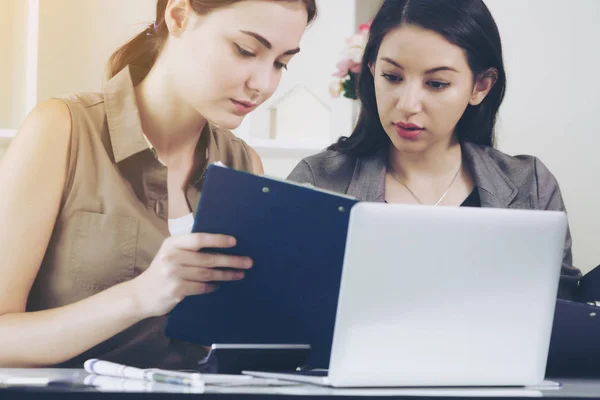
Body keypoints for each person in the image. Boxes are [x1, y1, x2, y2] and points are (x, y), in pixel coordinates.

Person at [0, 0, 316, 368]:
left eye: (281, 64)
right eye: (245, 51)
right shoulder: (63, 129)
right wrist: (140, 296)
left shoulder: (243, 166)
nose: (262, 84)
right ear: (179, 15)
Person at [287, 0, 581, 299]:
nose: (407, 104)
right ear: (372, 69)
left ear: (480, 86)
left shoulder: (530, 186)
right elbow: (281, 306)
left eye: (436, 83)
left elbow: (562, 311)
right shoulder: (318, 181)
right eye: (392, 77)